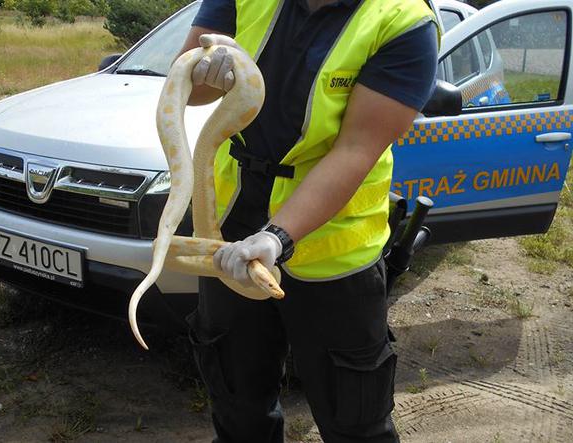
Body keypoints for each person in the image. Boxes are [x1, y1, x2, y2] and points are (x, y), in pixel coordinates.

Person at [177, 1, 439, 442]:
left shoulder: (403, 21)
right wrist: (202, 70)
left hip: (335, 250)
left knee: (355, 421)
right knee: (237, 404)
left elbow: (357, 149)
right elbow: (189, 89)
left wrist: (278, 236)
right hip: (231, 230)